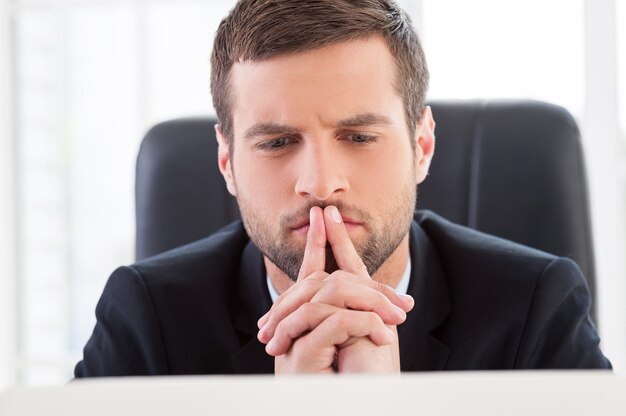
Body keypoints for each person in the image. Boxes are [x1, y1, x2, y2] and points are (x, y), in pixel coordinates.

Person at [74, 0, 610, 376]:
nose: (321, 183)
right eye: (278, 142)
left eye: (358, 135)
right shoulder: (146, 316)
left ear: (422, 146)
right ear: (227, 162)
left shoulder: (535, 306)